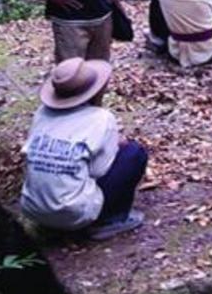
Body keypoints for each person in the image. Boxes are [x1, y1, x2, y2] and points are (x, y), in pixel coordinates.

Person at [20, 57, 146, 241]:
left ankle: (49, 220)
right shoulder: (101, 118)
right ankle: (110, 220)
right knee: (134, 153)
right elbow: (98, 170)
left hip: (33, 209)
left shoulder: (41, 113)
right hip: (75, 214)